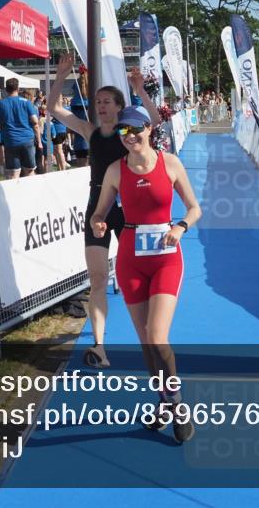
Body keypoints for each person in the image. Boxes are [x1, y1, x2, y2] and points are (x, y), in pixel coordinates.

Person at [89, 105, 202, 443]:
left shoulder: (169, 163)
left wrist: (181, 226)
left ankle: (177, 404)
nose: (130, 137)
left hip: (166, 257)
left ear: (149, 129)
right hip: (130, 259)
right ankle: (164, 403)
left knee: (157, 336)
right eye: (123, 132)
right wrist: (98, 222)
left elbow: (196, 208)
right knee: (146, 344)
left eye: (135, 130)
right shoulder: (114, 171)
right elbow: (100, 212)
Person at [47, 55, 160, 368]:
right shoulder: (89, 132)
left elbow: (155, 121)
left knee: (136, 278)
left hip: (128, 209)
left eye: (107, 102)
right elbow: (54, 110)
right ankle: (99, 347)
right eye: (98, 102)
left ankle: (151, 334)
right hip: (97, 210)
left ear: (120, 106)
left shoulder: (129, 134)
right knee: (97, 279)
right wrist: (60, 77)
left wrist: (140, 88)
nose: (101, 107)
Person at [0, 78, 42, 180]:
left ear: (6, 89)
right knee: (30, 172)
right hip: (27, 140)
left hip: (10, 141)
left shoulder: (1, 104)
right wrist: (39, 141)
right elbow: (35, 122)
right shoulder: (26, 102)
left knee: (13, 174)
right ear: (18, 88)